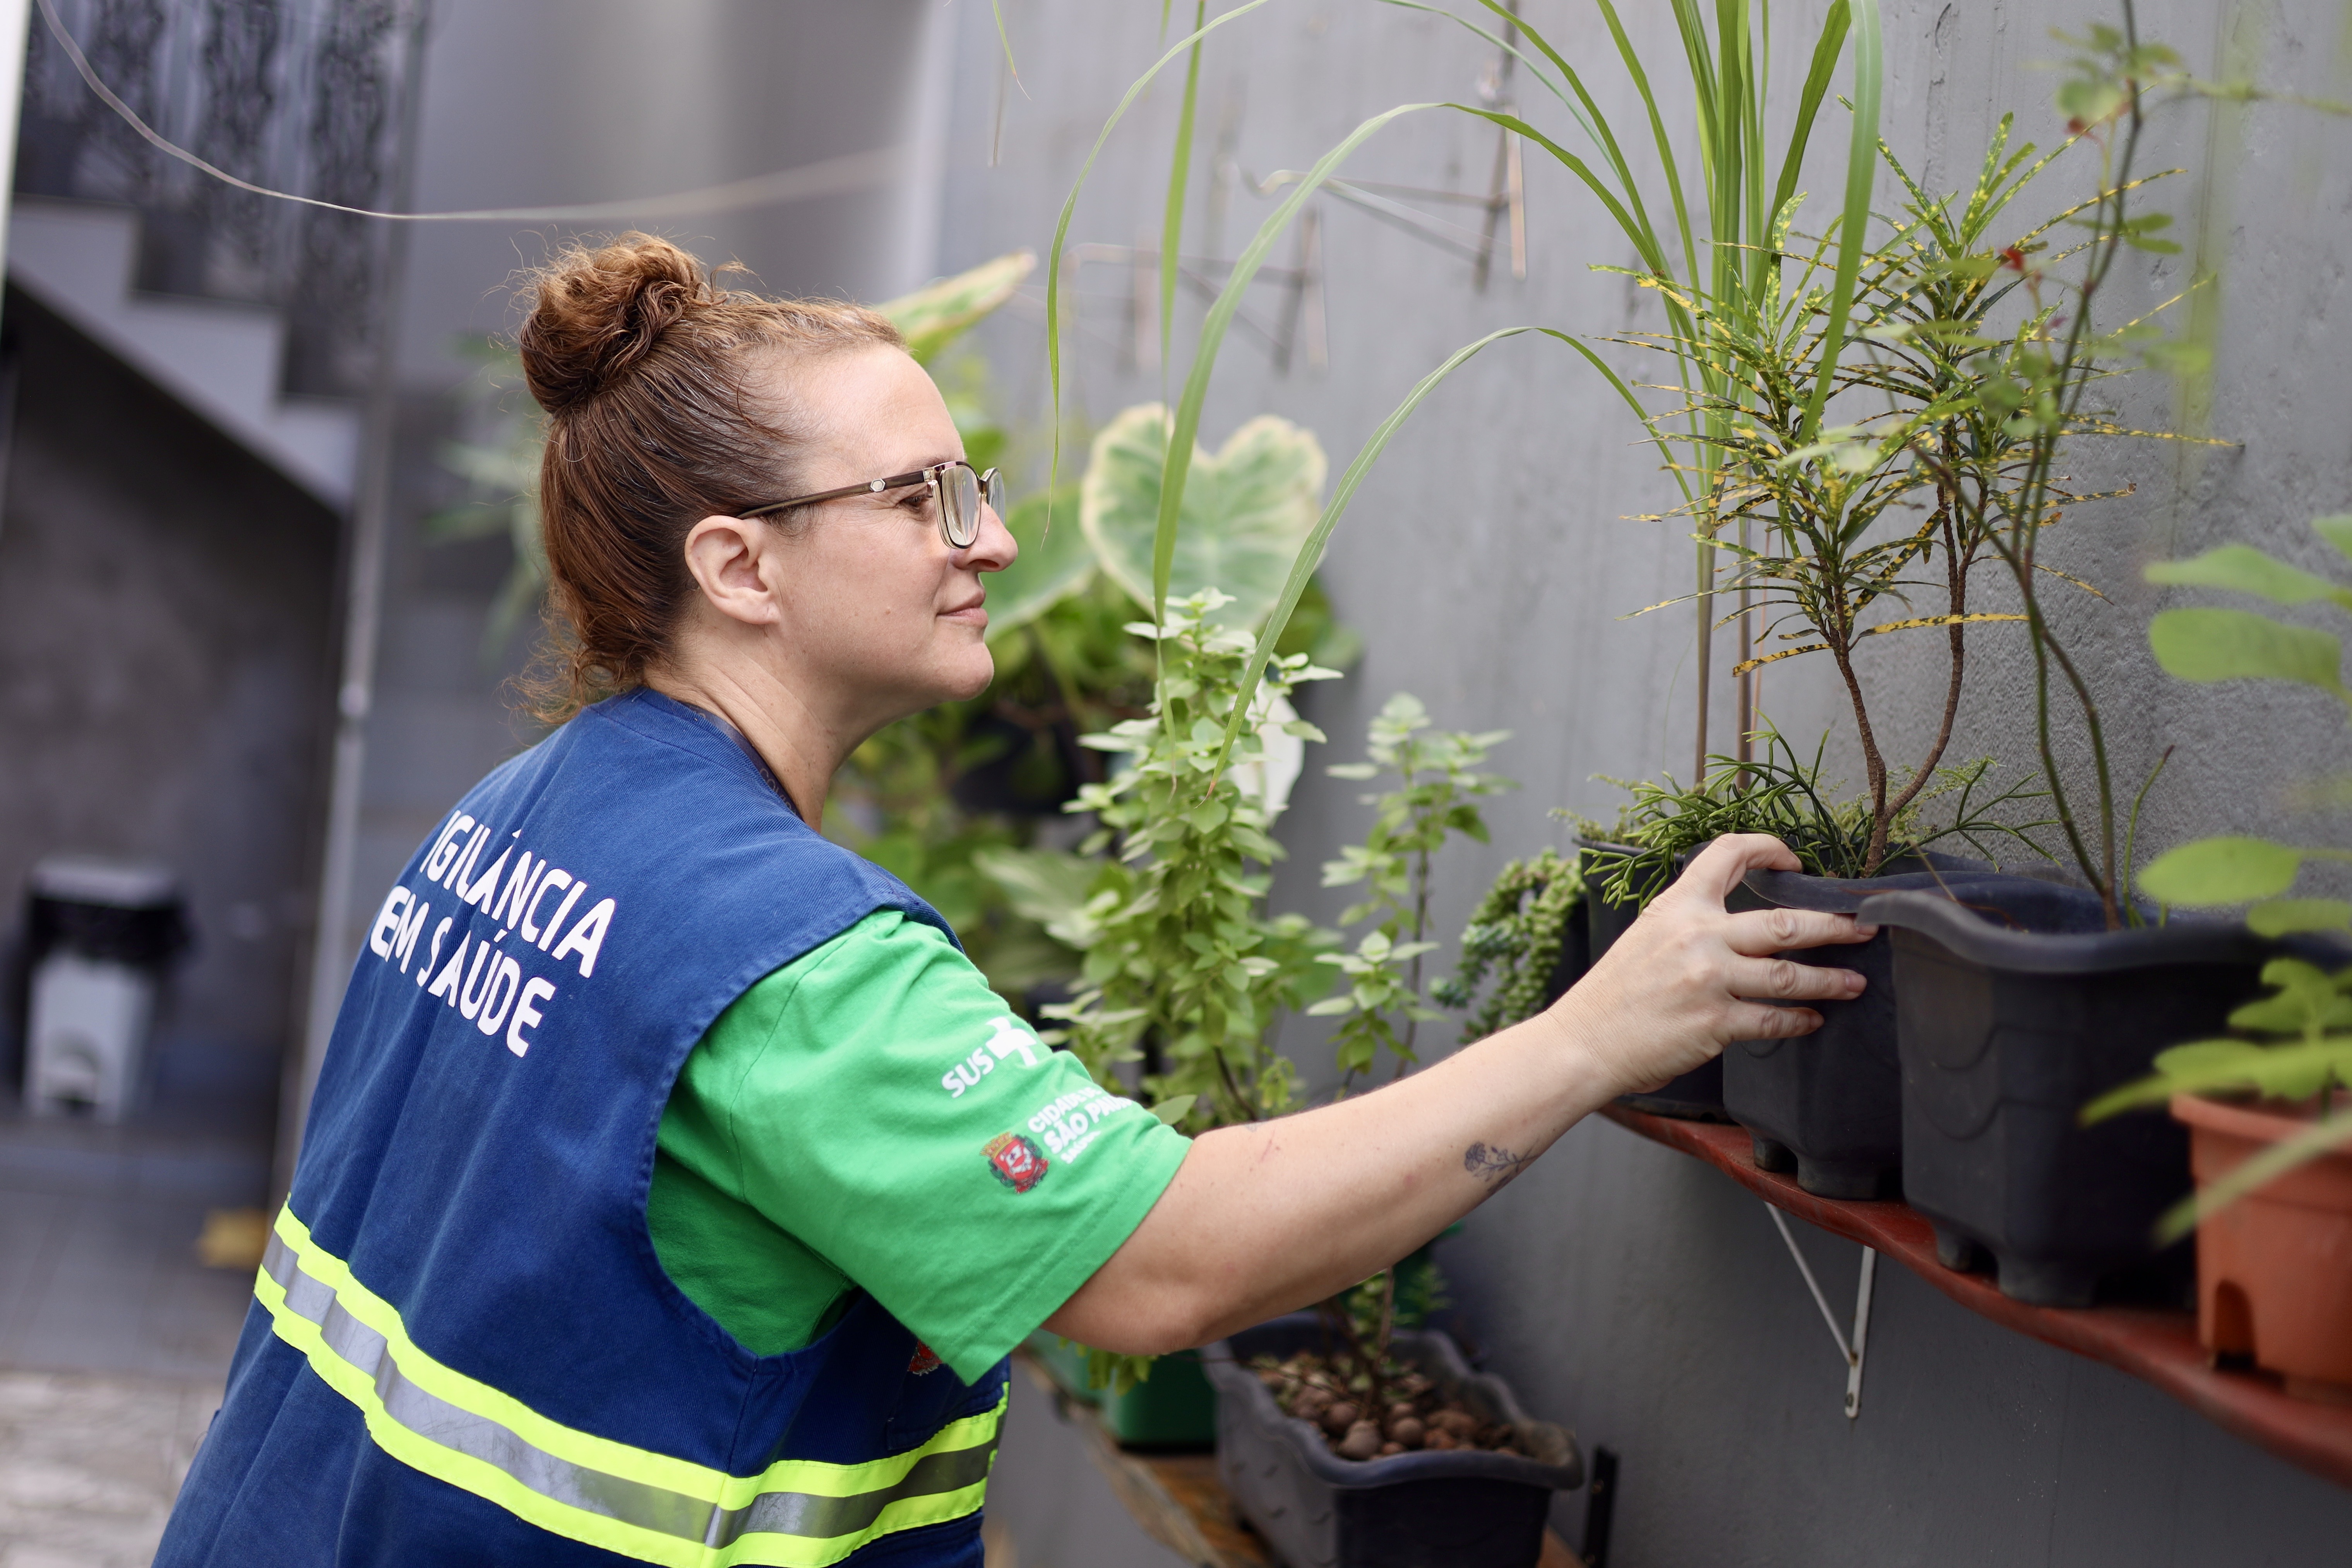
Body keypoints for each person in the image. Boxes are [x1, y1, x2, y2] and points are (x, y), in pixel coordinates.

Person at [156, 235, 1872, 1568]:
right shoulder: (788, 964)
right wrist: (1595, 1030)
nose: (983, 537)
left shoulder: (524, 810)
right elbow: (1161, 1269)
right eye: (917, 497)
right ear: (737, 566)